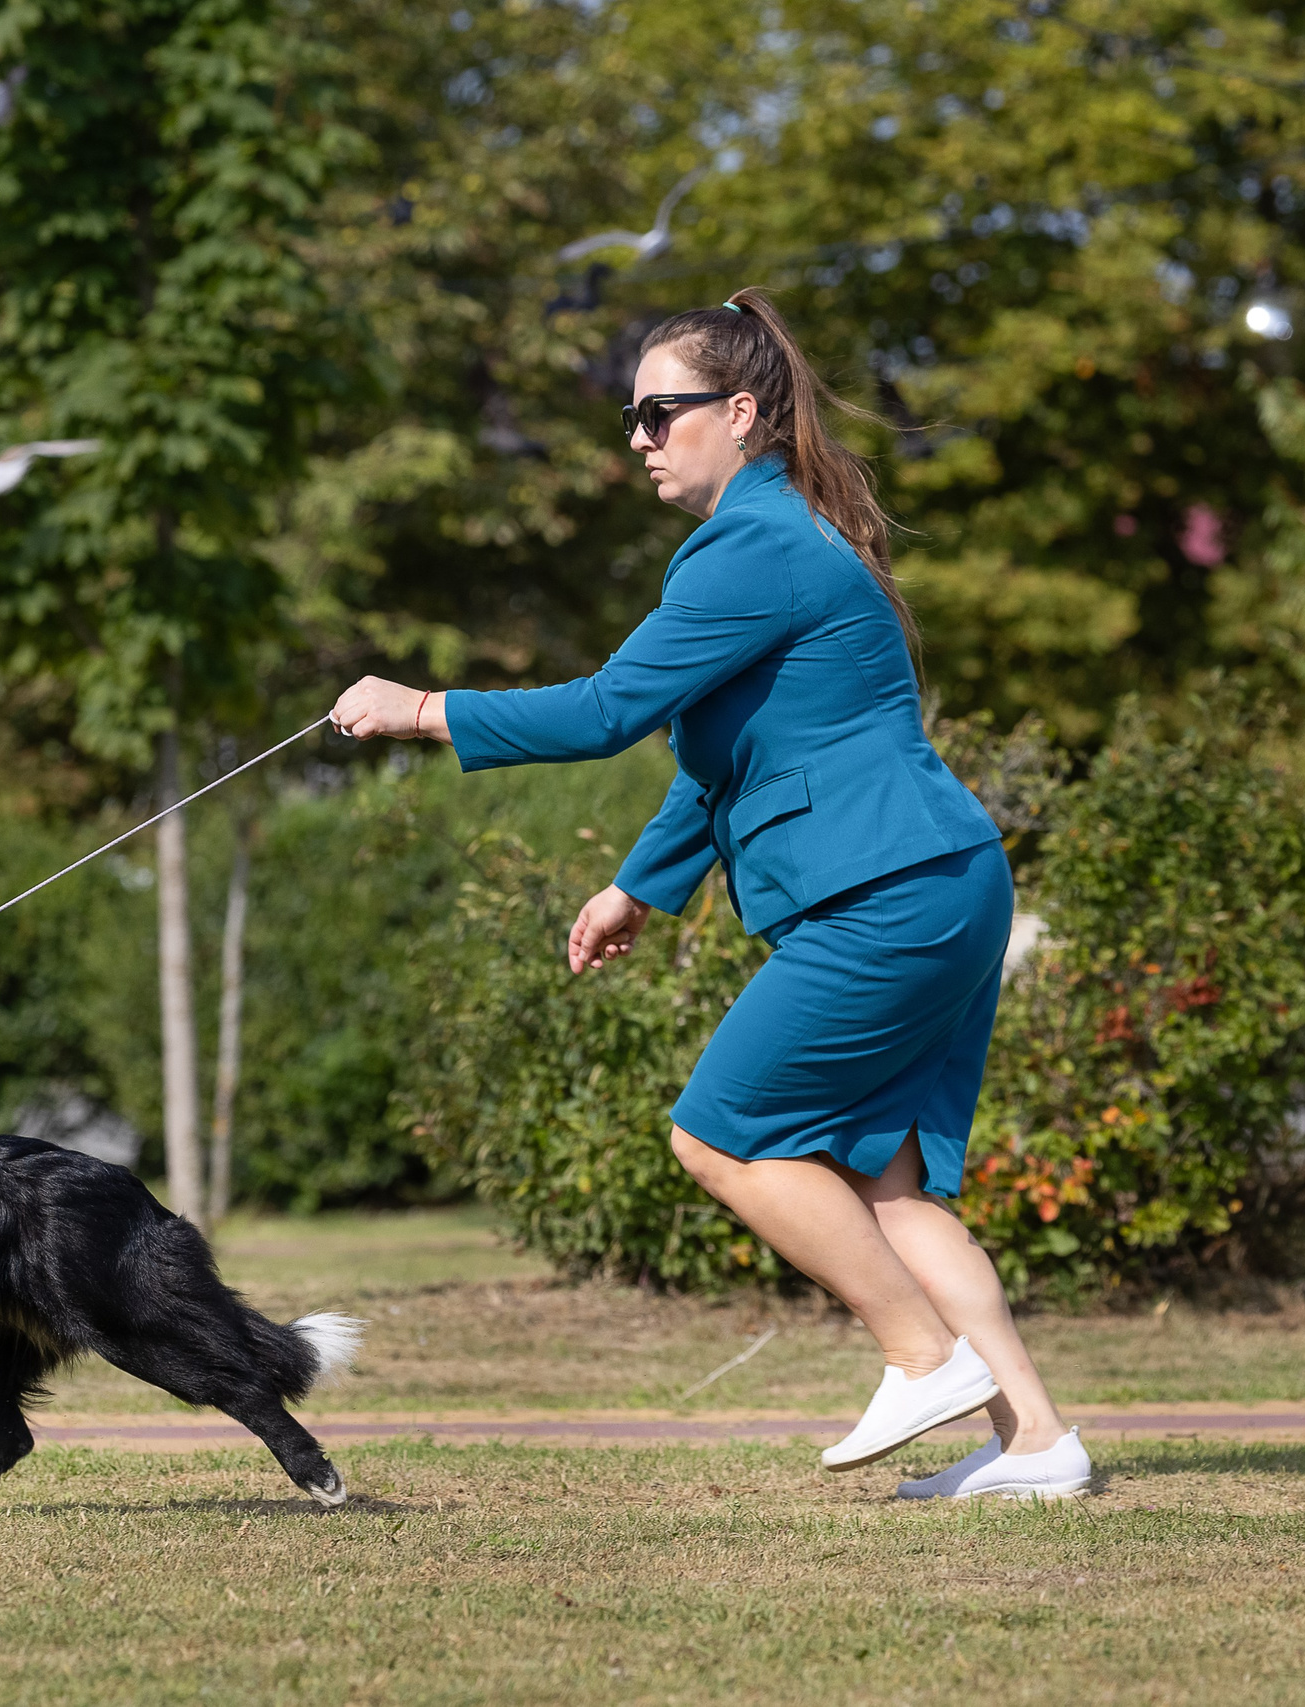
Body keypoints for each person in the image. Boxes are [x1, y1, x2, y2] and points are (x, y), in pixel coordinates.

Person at [329, 288, 1090, 1501]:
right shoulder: (784, 538)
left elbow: (604, 712)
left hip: (885, 890)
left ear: (739, 414)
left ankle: (920, 1358)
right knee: (887, 1186)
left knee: (721, 1132)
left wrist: (418, 709)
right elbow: (716, 757)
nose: (636, 436)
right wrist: (641, 886)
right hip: (942, 879)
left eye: (657, 412)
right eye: (629, 416)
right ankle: (1039, 1444)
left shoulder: (753, 546)